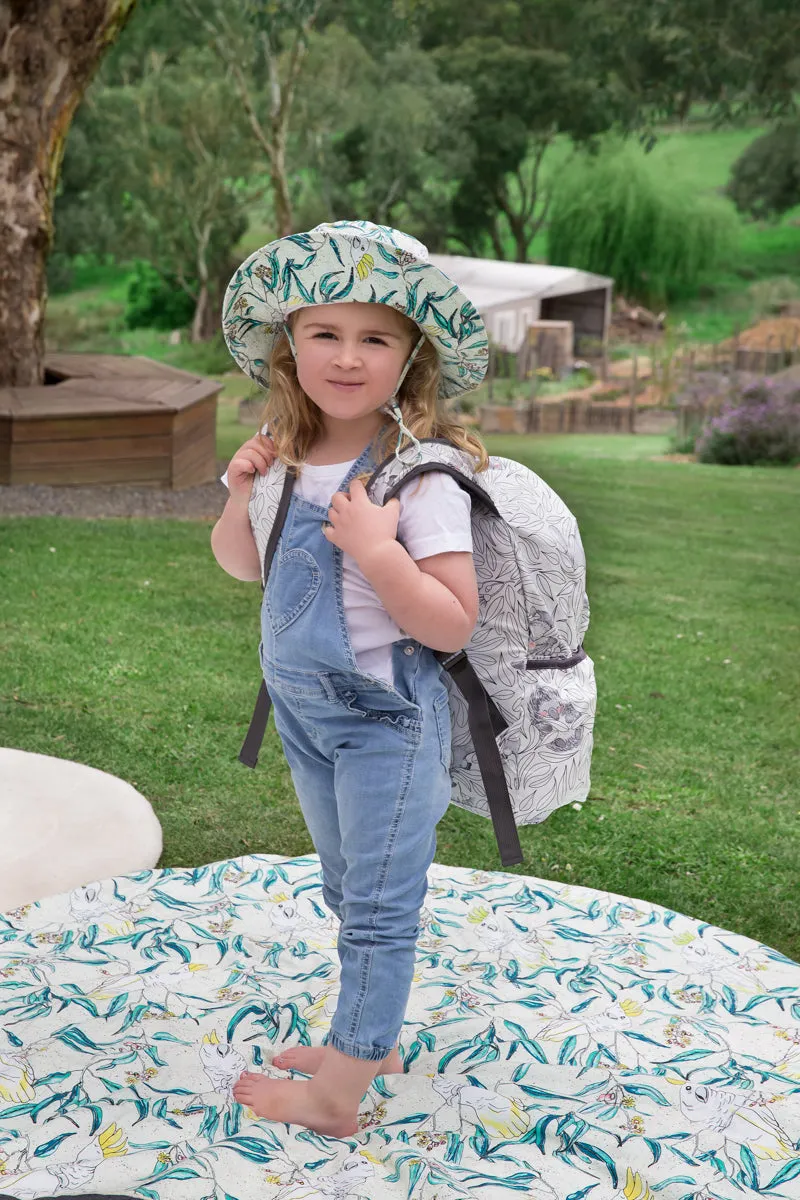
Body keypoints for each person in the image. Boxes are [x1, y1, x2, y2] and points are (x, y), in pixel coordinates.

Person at [211, 222, 489, 1137]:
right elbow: (243, 568)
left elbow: (451, 620)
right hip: (303, 718)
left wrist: (378, 552)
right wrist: (238, 491)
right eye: (326, 333)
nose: (347, 356)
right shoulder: (287, 452)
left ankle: (337, 1097)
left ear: (410, 360)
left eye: (376, 338)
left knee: (376, 908)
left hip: (386, 726)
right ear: (291, 344)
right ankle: (371, 1038)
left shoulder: (421, 476)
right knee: (343, 885)